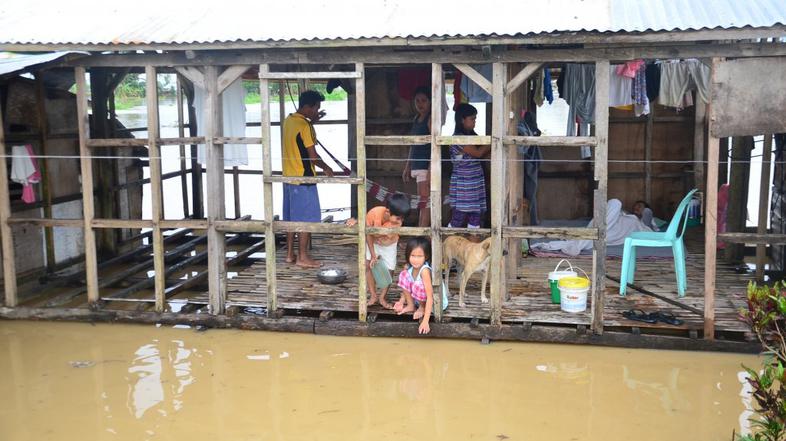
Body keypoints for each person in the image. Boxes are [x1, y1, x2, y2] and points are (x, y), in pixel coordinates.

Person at [281, 90, 335, 268]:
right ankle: (303, 257)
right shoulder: (305, 126)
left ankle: (290, 254)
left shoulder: (289, 121)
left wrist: (313, 121)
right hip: (304, 179)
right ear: (307, 107)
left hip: (288, 178)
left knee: (291, 219)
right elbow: (313, 156)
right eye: (315, 108)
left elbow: (299, 137)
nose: (316, 111)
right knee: (305, 219)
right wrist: (326, 167)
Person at [345, 194, 411, 309]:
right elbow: (369, 235)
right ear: (388, 212)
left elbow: (390, 237)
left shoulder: (398, 222)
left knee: (390, 269)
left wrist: (386, 238)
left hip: (389, 244)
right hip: (373, 242)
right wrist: (373, 255)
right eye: (398, 218)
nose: (400, 221)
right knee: (368, 265)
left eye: (402, 218)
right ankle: (373, 296)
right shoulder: (373, 213)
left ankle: (382, 297)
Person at [448, 103, 489, 229]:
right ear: (462, 120)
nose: (474, 122)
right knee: (459, 216)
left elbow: (482, 154)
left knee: (475, 216)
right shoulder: (458, 138)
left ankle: (472, 246)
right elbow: (478, 153)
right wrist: (493, 140)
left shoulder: (471, 137)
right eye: (472, 119)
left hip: (474, 182)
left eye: (475, 119)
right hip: (464, 184)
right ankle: (447, 244)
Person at [402, 86, 431, 227]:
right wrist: (407, 166)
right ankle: (422, 233)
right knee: (422, 201)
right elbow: (412, 145)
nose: (420, 104)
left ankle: (423, 234)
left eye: (424, 101)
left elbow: (434, 146)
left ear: (430, 102)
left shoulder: (430, 119)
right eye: (417, 101)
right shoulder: (416, 119)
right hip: (416, 165)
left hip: (425, 166)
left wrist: (431, 168)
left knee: (425, 202)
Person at [394, 237, 434, 335]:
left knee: (417, 284)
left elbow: (430, 297)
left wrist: (425, 321)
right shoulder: (408, 267)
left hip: (431, 303)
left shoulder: (424, 271)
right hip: (417, 298)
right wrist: (401, 301)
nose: (415, 260)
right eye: (413, 255)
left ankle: (422, 307)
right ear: (408, 255)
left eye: (420, 256)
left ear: (426, 256)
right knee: (403, 274)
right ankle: (411, 305)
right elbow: (406, 284)